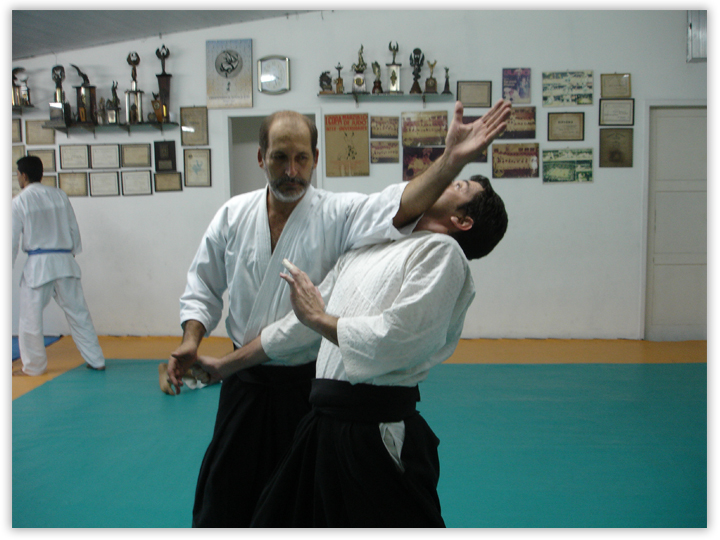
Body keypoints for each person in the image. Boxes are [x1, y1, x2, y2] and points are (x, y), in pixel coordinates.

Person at [167, 100, 511, 527]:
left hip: (341, 407)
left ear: (315, 160)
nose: (290, 170)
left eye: (301, 158)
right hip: (282, 399)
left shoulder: (382, 231)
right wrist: (215, 357)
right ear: (261, 158)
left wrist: (451, 158)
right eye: (279, 157)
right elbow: (229, 294)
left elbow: (390, 332)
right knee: (237, 502)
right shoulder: (365, 245)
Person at [12, 155, 105, 376]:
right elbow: (73, 228)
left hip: (38, 266)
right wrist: (71, 252)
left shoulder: (20, 201)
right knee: (79, 314)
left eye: (17, 174)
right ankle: (96, 359)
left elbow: (10, 239)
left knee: (30, 319)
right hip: (64, 261)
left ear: (23, 176)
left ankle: (33, 367)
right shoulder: (59, 196)